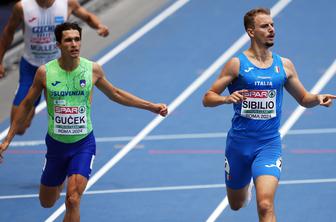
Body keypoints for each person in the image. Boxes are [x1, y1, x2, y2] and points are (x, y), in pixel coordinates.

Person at [0, 22, 168, 222]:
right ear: (58, 45)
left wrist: (151, 106)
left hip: (83, 144)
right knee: (46, 201)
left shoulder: (92, 70)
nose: (74, 44)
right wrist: (8, 139)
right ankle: (62, 175)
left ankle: (71, 179)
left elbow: (115, 93)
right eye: (68, 40)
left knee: (73, 199)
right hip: (56, 146)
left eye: (77, 39)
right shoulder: (45, 73)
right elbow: (27, 104)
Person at [203, 7, 336, 222]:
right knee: (235, 205)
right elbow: (207, 98)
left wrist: (317, 99)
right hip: (238, 145)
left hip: (268, 145)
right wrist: (226, 99)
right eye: (265, 26)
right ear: (251, 32)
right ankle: (243, 189)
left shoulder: (284, 65)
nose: (272, 29)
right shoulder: (237, 64)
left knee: (265, 205)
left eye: (272, 25)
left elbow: (303, 99)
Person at [0, 0, 109, 135]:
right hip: (31, 68)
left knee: (68, 117)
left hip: (58, 69)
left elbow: (87, 17)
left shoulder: (67, 3)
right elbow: (8, 32)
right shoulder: (22, 7)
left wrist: (99, 25)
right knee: (20, 127)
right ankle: (35, 97)